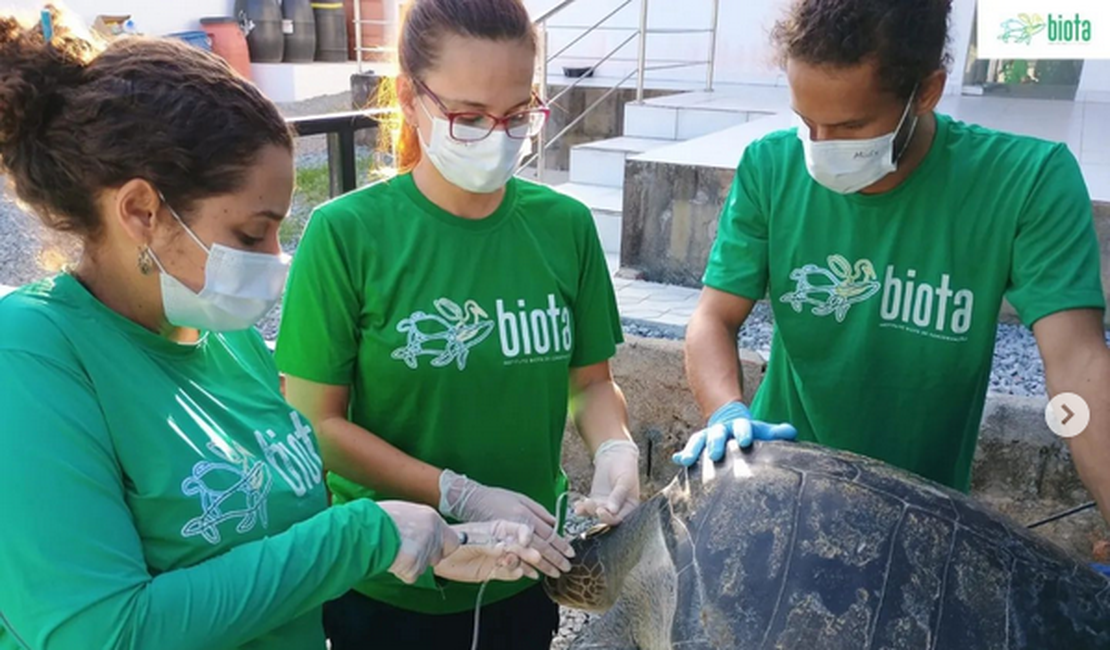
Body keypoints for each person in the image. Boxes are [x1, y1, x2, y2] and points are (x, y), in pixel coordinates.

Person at [0, 11, 544, 650]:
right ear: (143, 211)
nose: (274, 257)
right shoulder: (34, 356)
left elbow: (277, 545)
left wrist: (428, 543)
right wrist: (364, 536)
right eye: (251, 232)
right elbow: (103, 632)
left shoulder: (224, 339)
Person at [275, 0, 639, 647]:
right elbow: (315, 423)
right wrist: (456, 493)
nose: (497, 135)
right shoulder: (347, 235)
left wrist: (614, 448)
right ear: (412, 97)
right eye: (469, 117)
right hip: (389, 576)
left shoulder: (564, 228)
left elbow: (588, 383)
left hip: (526, 565)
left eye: (517, 114)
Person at [674, 0, 1110, 524]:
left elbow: (1079, 369)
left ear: (926, 92)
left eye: (851, 126)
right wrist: (725, 409)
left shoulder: (1025, 182)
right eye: (806, 121)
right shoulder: (771, 168)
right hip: (779, 491)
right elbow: (712, 318)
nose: (820, 146)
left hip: (921, 519)